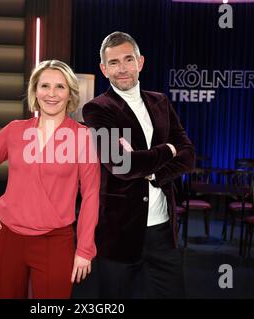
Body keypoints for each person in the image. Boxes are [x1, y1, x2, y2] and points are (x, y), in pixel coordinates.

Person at [0, 60, 100, 299]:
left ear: (70, 94)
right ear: (35, 91)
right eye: (45, 86)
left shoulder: (83, 137)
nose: (51, 94)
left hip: (55, 241)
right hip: (8, 237)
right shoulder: (14, 130)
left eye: (60, 87)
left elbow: (91, 195)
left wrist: (84, 249)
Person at [82, 31, 195, 298]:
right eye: (114, 62)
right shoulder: (97, 109)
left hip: (163, 232)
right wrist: (167, 149)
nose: (122, 69)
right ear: (103, 69)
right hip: (119, 235)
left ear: (140, 62)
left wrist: (153, 173)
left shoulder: (161, 102)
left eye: (128, 59)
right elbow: (121, 165)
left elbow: (188, 155)